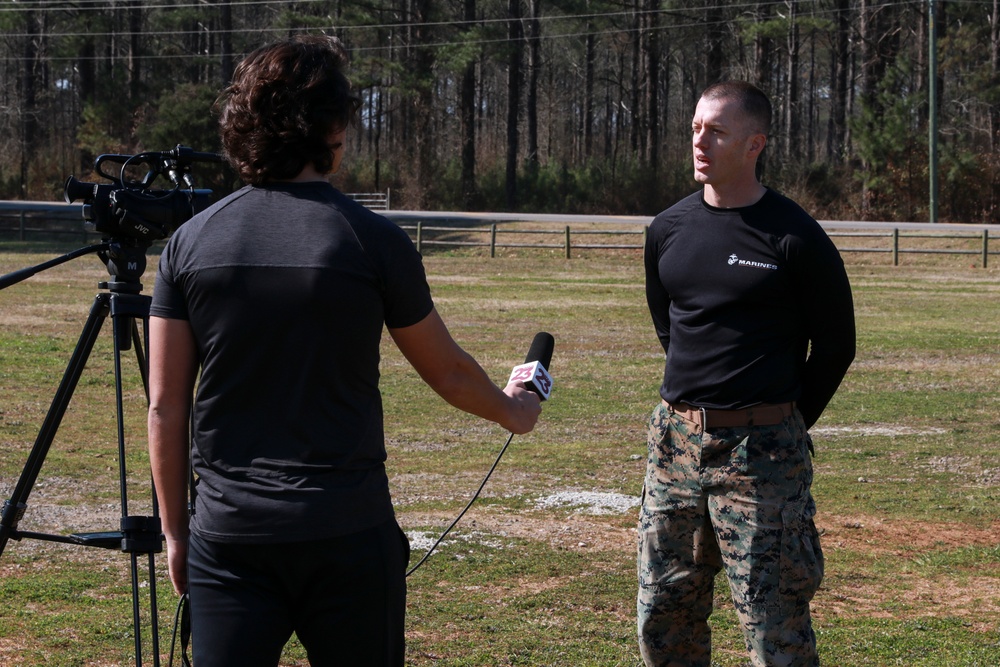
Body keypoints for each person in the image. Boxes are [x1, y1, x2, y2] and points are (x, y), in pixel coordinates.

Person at [146, 35, 541, 667]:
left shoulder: (190, 243)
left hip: (230, 539)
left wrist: (175, 532)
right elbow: (448, 371)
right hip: (348, 533)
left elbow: (165, 408)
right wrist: (512, 409)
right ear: (331, 127)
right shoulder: (372, 240)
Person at [637, 80, 856, 667]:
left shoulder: (795, 237)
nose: (700, 142)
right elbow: (670, 327)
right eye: (695, 128)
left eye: (717, 131)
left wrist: (781, 419)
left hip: (763, 456)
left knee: (773, 626)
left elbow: (837, 345)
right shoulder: (667, 229)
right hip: (674, 448)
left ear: (755, 144)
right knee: (665, 614)